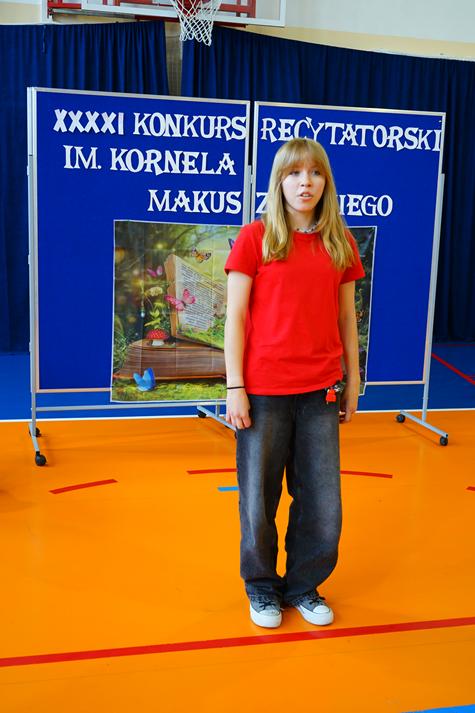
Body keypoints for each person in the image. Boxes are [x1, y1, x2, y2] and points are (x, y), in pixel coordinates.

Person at [224, 137, 365, 629]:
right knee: (258, 500)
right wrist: (235, 387)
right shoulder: (255, 238)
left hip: (320, 391)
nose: (306, 182)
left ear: (327, 181)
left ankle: (304, 585)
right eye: (295, 173)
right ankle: (262, 588)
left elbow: (346, 319)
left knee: (322, 504)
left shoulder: (340, 243)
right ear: (279, 182)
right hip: (263, 392)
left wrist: (353, 379)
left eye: (315, 173)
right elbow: (234, 317)